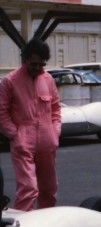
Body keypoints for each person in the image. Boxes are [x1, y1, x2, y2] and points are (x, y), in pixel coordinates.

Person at [0, 38, 61, 210]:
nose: (37, 68)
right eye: (34, 64)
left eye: (41, 64)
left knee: (49, 189)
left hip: (47, 142)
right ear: (25, 60)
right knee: (28, 189)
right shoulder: (10, 81)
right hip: (23, 142)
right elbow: (1, 113)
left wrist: (55, 132)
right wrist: (15, 134)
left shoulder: (48, 79)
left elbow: (56, 108)